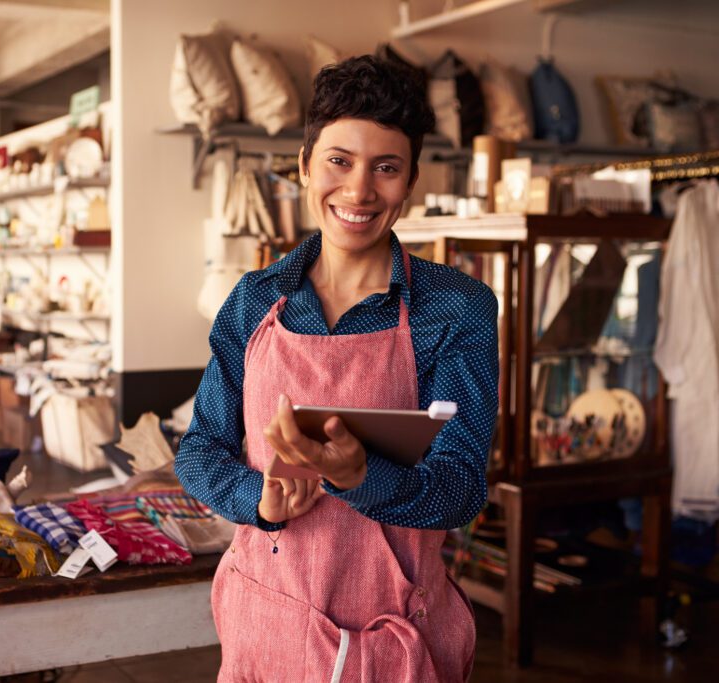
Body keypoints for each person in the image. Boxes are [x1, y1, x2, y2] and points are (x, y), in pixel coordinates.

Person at [175, 54, 499, 682]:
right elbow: (199, 450)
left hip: (394, 632)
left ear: (409, 183)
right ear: (303, 166)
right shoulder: (253, 300)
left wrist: (360, 477)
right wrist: (259, 499)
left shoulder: (456, 310)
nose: (358, 191)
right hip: (265, 620)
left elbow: (460, 489)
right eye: (338, 161)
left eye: (385, 168)